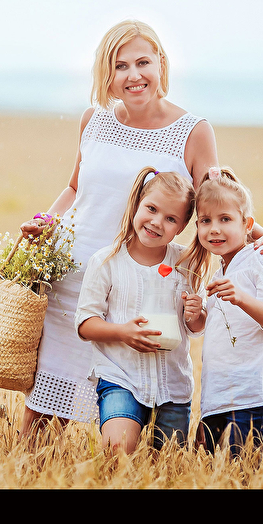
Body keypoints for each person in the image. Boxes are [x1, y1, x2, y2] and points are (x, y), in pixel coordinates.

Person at [18, 20, 263, 437]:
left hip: (143, 285)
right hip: (75, 273)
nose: (134, 75)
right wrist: (44, 223)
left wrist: (262, 236)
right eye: (120, 65)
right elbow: (74, 187)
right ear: (106, 73)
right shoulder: (93, 120)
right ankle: (26, 469)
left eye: (143, 62)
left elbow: (215, 201)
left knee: (132, 394)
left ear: (161, 62)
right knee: (47, 401)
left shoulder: (193, 131)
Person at [75, 167, 206, 454]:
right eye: (151, 209)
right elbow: (85, 323)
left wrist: (196, 314)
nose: (157, 222)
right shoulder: (106, 261)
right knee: (118, 449)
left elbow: (196, 327)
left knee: (168, 463)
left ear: (182, 226)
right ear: (137, 204)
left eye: (170, 218)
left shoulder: (185, 263)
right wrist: (122, 332)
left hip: (172, 385)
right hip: (121, 376)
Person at [182, 166, 263, 457]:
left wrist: (241, 298)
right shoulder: (220, 270)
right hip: (216, 397)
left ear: (247, 225)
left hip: (251, 397)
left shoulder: (262, 259)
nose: (214, 229)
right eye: (205, 220)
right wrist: (196, 315)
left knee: (239, 470)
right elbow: (214, 327)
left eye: (225, 219)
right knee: (205, 471)